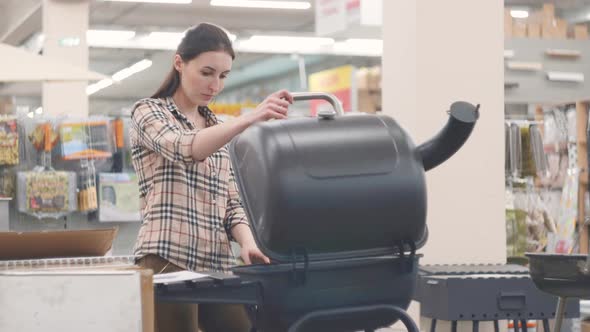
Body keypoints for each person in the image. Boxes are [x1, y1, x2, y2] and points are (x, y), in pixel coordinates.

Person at [130, 22, 294, 332]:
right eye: (206, 73)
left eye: (222, 76)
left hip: (216, 264)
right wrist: (251, 118)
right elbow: (184, 147)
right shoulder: (148, 112)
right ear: (179, 63)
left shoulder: (216, 126)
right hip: (167, 258)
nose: (215, 85)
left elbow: (231, 202)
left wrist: (247, 244)